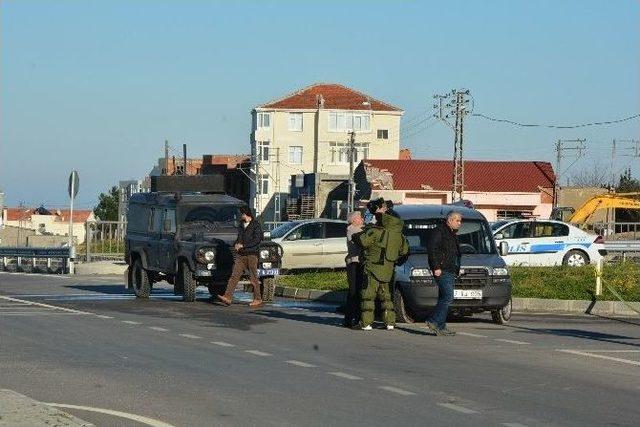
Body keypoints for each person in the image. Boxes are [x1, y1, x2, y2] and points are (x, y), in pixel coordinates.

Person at [353, 199, 409, 331]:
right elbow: (404, 251)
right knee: (387, 296)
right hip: (389, 267)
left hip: (372, 266)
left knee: (368, 295)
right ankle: (390, 322)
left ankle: (366, 323)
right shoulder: (398, 235)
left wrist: (357, 235)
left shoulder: (375, 231)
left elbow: (363, 241)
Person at [425, 210, 462, 336]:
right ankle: (433, 321)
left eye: (460, 221)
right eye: (457, 220)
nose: (459, 223)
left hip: (450, 269)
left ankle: (441, 326)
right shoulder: (439, 231)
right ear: (450, 220)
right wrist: (436, 267)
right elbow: (432, 249)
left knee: (443, 297)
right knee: (448, 297)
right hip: (442, 269)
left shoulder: (452, 233)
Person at [217, 206, 264, 307]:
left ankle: (257, 299)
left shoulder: (255, 225)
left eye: (242, 214)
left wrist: (244, 245)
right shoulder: (241, 225)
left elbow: (257, 240)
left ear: (246, 214)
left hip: (252, 255)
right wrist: (236, 244)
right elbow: (239, 238)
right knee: (234, 276)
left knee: (253, 278)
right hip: (241, 255)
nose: (241, 216)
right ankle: (227, 297)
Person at [344, 210, 364, 328]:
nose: (362, 219)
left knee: (356, 291)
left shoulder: (358, 228)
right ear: (354, 220)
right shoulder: (352, 229)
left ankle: (352, 318)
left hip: (357, 263)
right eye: (360, 217)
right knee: (354, 291)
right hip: (354, 264)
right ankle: (352, 318)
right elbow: (362, 235)